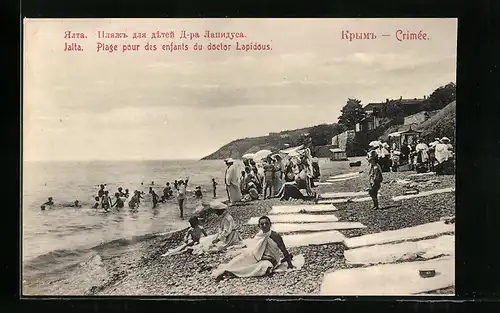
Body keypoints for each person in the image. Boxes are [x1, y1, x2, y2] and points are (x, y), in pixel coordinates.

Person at [212, 216, 294, 281]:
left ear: (270, 224)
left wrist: (290, 265)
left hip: (271, 258)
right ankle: (228, 269)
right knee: (243, 258)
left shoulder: (275, 236)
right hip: (258, 255)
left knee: (263, 266)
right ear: (259, 226)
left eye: (266, 223)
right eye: (262, 224)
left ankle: (233, 272)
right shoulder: (259, 235)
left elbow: (283, 250)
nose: (264, 226)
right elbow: (255, 248)